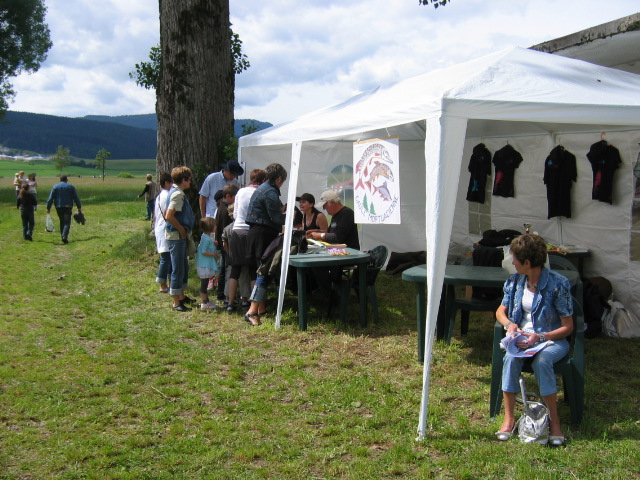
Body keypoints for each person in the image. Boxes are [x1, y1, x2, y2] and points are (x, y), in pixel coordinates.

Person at [495, 234, 574, 446]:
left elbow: (568, 327)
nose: (513, 263)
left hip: (551, 339)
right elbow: (500, 311)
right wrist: (510, 325)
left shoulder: (558, 284)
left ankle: (554, 422)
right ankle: (509, 418)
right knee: (510, 359)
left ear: (527, 263)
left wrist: (540, 336)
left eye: (515, 259)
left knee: (543, 361)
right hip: (523, 340)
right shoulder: (514, 282)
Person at [244, 163, 288, 326]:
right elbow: (276, 218)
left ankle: (260, 309)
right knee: (264, 272)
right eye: (283, 181)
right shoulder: (270, 192)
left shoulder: (262, 188)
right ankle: (252, 311)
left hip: (257, 233)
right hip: (263, 234)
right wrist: (290, 216)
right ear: (279, 179)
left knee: (260, 271)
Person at [227, 169, 267, 314]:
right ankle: (255, 305)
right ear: (263, 180)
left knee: (235, 270)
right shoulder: (261, 192)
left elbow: (235, 213)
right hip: (251, 231)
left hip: (237, 231)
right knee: (253, 270)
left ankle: (230, 303)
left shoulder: (240, 192)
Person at [165, 166, 196, 312]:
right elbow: (169, 216)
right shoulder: (177, 194)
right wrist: (181, 229)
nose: (190, 182)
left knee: (183, 266)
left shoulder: (176, 192)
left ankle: (181, 296)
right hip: (176, 237)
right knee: (177, 268)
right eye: (189, 179)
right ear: (183, 180)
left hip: (178, 236)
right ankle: (176, 302)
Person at [214, 183, 239, 304]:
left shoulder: (221, 207)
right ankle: (223, 294)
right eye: (235, 197)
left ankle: (222, 293)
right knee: (225, 270)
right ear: (228, 196)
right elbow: (225, 229)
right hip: (225, 244)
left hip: (221, 242)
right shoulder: (225, 210)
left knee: (223, 269)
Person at [46, 174, 82, 244]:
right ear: (67, 179)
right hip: (68, 206)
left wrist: (48, 207)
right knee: (67, 222)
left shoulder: (55, 187)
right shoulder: (71, 187)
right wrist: (79, 207)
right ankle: (64, 236)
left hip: (58, 206)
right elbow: (76, 198)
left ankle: (62, 235)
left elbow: (50, 198)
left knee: (62, 221)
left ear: (60, 180)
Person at [153, 172, 173, 293]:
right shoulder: (166, 196)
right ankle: (162, 284)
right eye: (171, 182)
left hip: (160, 227)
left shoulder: (160, 196)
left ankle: (168, 283)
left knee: (167, 257)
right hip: (164, 228)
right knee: (166, 257)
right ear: (166, 183)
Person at [196, 217, 220, 310]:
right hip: (204, 265)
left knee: (205, 283)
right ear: (210, 227)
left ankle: (206, 301)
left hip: (204, 264)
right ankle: (205, 302)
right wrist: (214, 254)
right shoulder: (207, 239)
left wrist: (213, 244)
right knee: (204, 284)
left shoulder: (206, 237)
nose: (216, 227)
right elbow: (203, 251)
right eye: (215, 225)